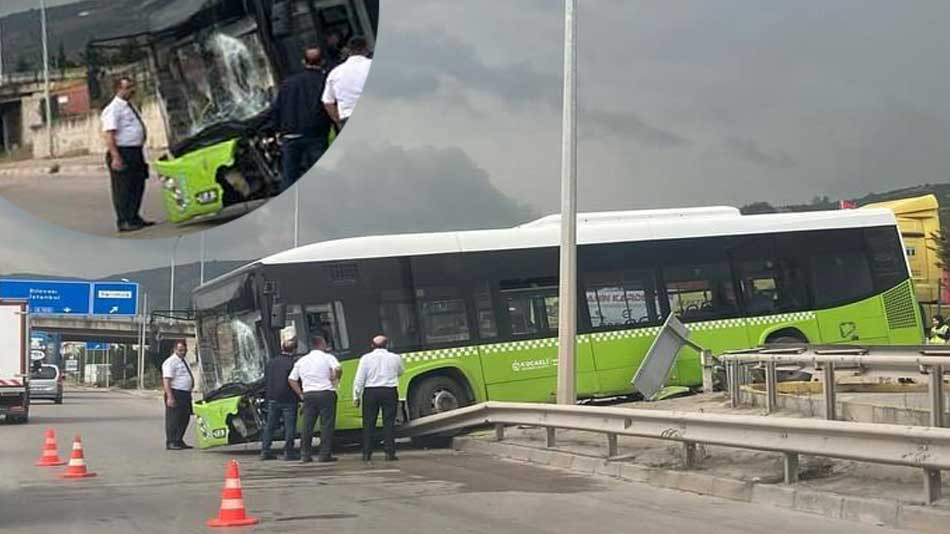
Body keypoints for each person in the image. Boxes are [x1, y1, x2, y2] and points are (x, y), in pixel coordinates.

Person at [270, 47, 333, 192]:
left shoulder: (287, 83)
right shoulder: (323, 81)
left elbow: (276, 109)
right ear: (323, 62)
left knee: (289, 175)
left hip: (290, 135)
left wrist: (278, 130)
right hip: (314, 134)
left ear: (303, 62)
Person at [101, 76, 154, 233]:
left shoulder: (129, 106)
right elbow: (109, 135)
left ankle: (134, 216)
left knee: (138, 184)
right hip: (122, 151)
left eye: (132, 86)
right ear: (118, 89)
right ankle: (124, 220)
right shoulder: (113, 109)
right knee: (123, 188)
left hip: (135, 151)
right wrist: (116, 157)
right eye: (128, 87)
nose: (132, 90)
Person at [288, 336, 342, 463]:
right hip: (326, 393)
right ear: (322, 344)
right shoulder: (328, 357)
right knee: (326, 425)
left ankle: (305, 454)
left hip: (309, 395)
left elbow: (292, 379)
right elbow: (338, 368)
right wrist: (335, 378)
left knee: (307, 425)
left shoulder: (302, 360)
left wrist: (300, 394)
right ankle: (324, 454)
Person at [353, 335, 404, 462]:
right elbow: (400, 372)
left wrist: (356, 395)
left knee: (369, 423)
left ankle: (367, 453)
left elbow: (360, 378)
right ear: (387, 345)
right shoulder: (395, 358)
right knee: (388, 423)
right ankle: (389, 452)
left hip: (371, 391)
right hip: (389, 390)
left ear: (372, 345)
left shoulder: (365, 358)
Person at [260, 337, 300, 461]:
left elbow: (266, 380)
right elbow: (295, 380)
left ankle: (265, 450)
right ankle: (289, 452)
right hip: (289, 399)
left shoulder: (271, 362)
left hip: (272, 398)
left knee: (270, 425)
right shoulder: (293, 364)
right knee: (290, 427)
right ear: (294, 350)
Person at [322, 36, 372, 132]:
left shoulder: (335, 73)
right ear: (366, 49)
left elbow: (327, 102)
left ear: (349, 51)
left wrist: (339, 121)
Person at [161, 341, 194, 450]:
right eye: (180, 350)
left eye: (184, 350)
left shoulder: (184, 361)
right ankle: (171, 441)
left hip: (185, 393)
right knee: (173, 419)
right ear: (175, 350)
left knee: (184, 418)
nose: (183, 352)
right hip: (175, 392)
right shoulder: (170, 362)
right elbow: (166, 380)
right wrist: (170, 396)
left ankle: (179, 440)